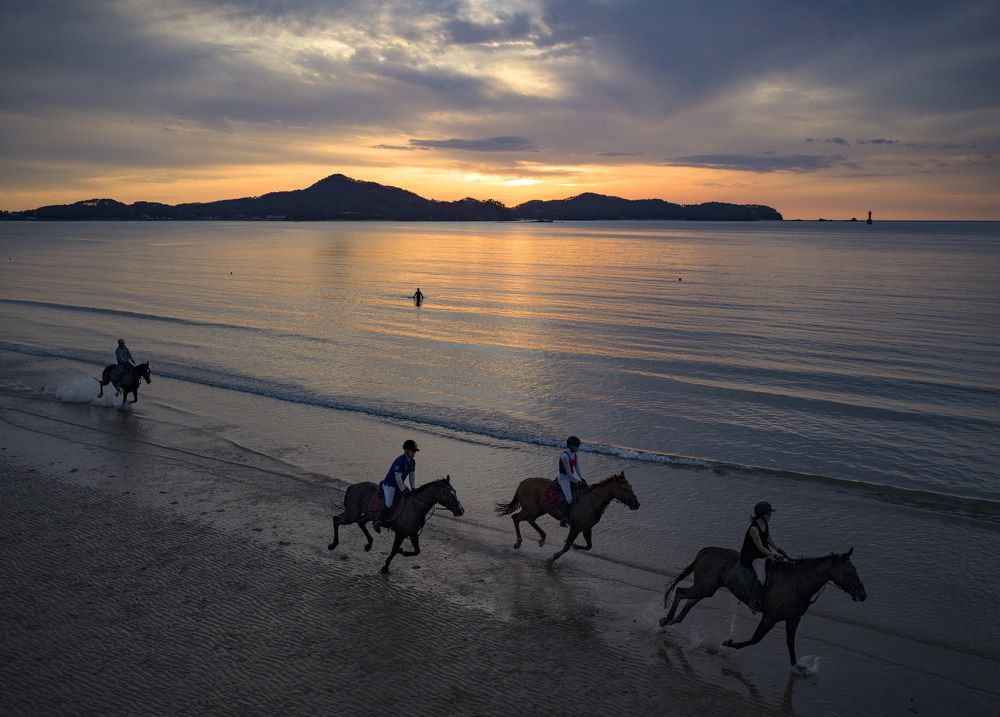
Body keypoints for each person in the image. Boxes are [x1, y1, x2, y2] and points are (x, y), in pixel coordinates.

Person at [739, 501, 789, 610]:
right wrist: (774, 556)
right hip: (754, 555)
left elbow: (768, 538)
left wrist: (779, 550)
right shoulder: (753, 529)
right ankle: (753, 601)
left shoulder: (765, 523)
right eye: (769, 513)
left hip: (764, 552)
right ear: (762, 515)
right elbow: (760, 547)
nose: (771, 515)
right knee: (761, 578)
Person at [372, 439, 419, 533]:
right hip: (390, 484)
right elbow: (397, 477)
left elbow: (412, 476)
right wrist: (403, 489)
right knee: (389, 503)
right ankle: (377, 521)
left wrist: (413, 488)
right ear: (406, 450)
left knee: (407, 498)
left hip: (399, 484)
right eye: (413, 451)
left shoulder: (412, 462)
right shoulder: (400, 461)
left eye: (415, 451)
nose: (414, 453)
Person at [557, 435, 585, 527]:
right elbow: (569, 473)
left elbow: (577, 468)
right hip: (564, 478)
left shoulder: (575, 455)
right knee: (569, 499)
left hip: (572, 476)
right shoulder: (565, 456)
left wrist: (582, 479)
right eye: (577, 446)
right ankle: (563, 519)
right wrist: (576, 481)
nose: (578, 448)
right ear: (572, 446)